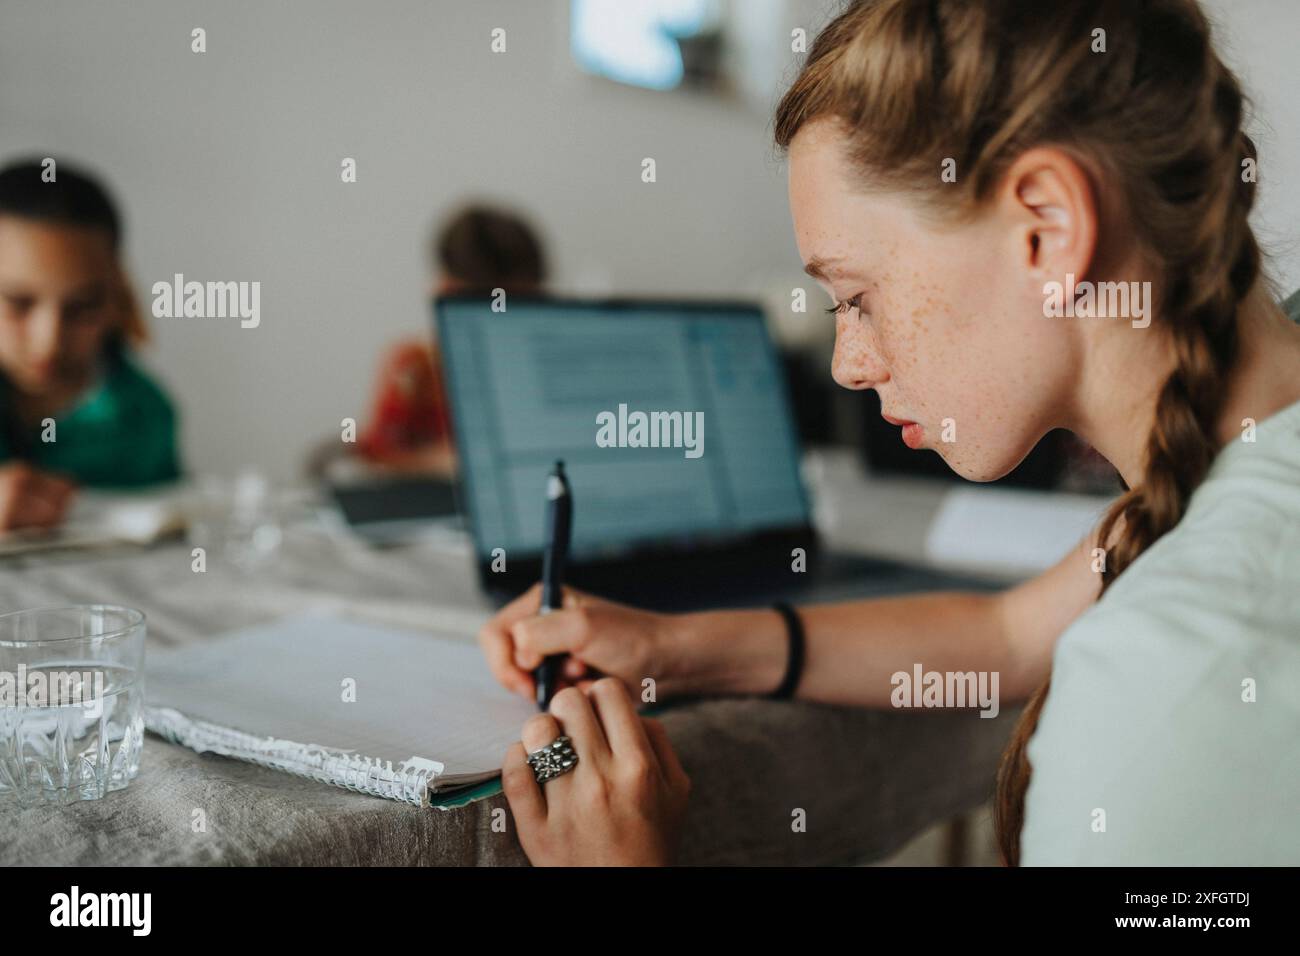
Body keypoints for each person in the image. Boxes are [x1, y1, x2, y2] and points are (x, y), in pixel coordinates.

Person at [480, 0, 1300, 866]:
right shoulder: (1248, 452)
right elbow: (1011, 637)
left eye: (857, 298)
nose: (846, 364)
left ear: (1051, 229)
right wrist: (669, 648)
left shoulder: (1178, 675)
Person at [0, 160, 180, 530]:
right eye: (18, 303)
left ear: (118, 296)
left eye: (82, 307)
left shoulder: (143, 414)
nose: (48, 341)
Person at [329, 204, 547, 478]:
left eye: (523, 303)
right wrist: (446, 462)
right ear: (445, 291)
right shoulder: (414, 367)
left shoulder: (543, 367)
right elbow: (376, 457)